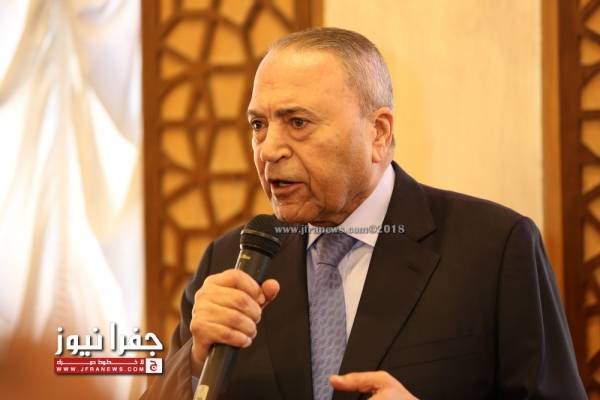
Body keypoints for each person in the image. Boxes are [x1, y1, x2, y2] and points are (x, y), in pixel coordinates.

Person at [142, 27, 586, 399]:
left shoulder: (495, 249)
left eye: (298, 122)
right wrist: (194, 362)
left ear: (378, 132)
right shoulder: (229, 262)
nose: (269, 149)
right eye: (259, 124)